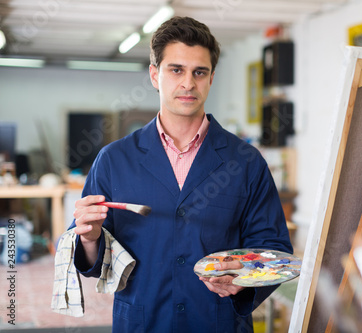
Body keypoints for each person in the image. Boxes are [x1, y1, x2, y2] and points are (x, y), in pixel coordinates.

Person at [70, 16, 293, 333]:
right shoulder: (113, 160)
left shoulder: (245, 161)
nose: (188, 83)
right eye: (176, 70)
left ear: (211, 78)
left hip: (218, 323)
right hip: (144, 323)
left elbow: (273, 248)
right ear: (154, 75)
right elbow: (92, 260)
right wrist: (90, 238)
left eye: (199, 72)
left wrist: (243, 282)